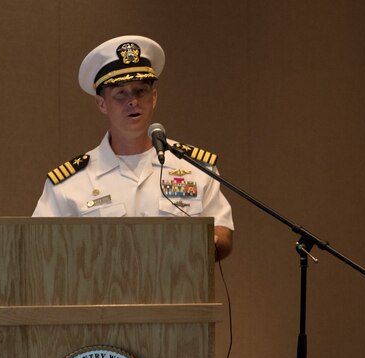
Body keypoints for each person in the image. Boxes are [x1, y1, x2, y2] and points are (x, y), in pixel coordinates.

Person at [33, 35, 234, 260]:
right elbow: (40, 248)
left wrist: (210, 243)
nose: (133, 101)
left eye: (140, 91)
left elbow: (223, 232)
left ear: (154, 98)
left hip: (179, 291)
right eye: (121, 93)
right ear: (101, 104)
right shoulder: (70, 183)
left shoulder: (195, 167)